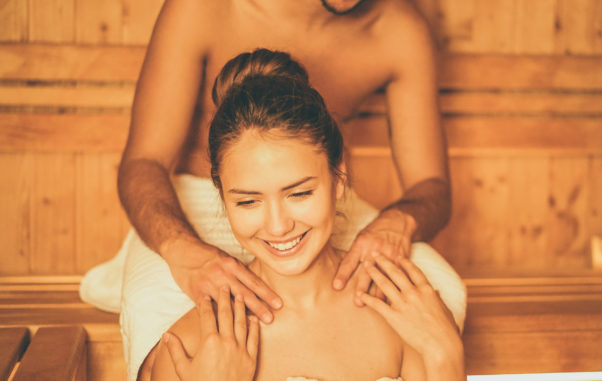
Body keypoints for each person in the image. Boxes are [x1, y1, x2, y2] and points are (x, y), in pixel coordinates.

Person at [78, 0, 465, 379]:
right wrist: (184, 251)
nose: (278, 227)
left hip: (321, 187)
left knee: (439, 295)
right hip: (197, 201)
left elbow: (431, 184)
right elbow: (144, 161)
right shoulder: (204, 7)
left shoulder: (398, 28)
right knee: (167, 321)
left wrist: (397, 223)